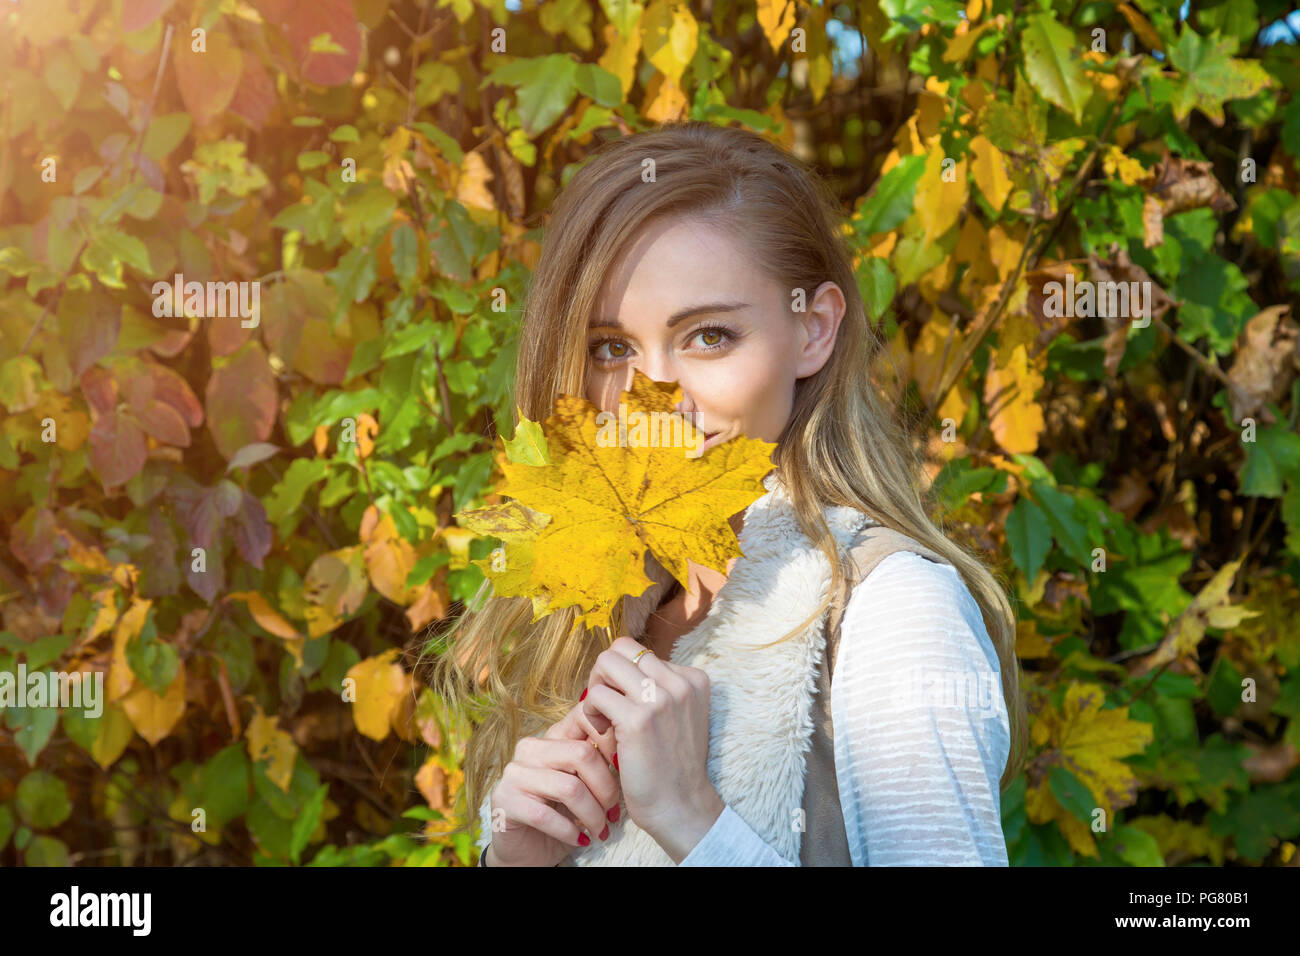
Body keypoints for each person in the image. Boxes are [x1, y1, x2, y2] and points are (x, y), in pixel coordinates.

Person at [427, 120, 1027, 866]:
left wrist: (694, 820)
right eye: (611, 349)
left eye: (708, 336)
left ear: (813, 329)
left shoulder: (893, 608)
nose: (652, 398)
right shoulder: (602, 607)